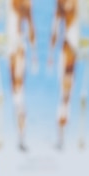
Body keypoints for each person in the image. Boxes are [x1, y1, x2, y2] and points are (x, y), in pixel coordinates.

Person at [6, 0, 38, 150]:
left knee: (19, 96)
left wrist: (34, 56)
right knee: (15, 96)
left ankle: (21, 137)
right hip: (10, 50)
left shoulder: (25, 3)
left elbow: (30, 26)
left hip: (17, 50)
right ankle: (19, 137)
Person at [47, 0, 80, 149]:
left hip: (73, 50)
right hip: (68, 50)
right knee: (65, 95)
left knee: (68, 95)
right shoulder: (61, 3)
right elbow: (55, 27)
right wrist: (51, 55)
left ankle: (63, 136)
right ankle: (61, 136)